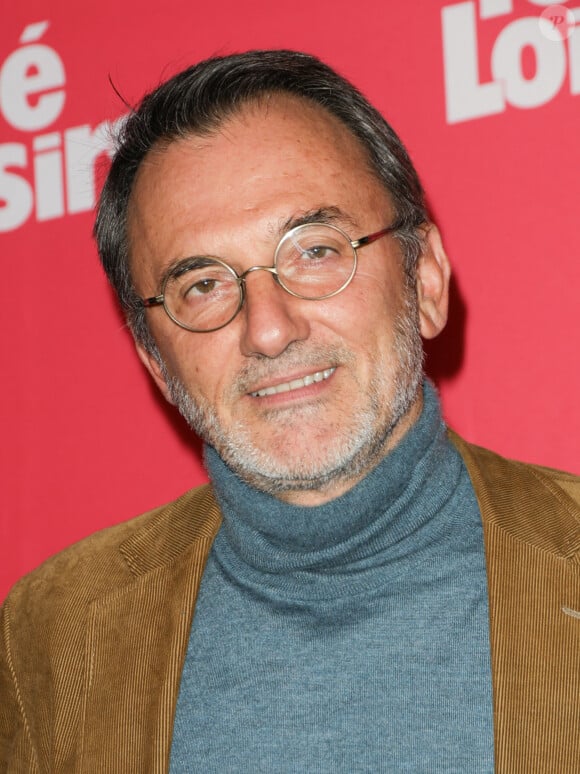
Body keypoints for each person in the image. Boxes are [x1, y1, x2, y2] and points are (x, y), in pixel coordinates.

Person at [1, 50, 580, 774]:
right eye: (204, 284)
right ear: (156, 359)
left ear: (425, 279)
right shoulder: (52, 633)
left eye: (314, 250)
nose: (269, 328)